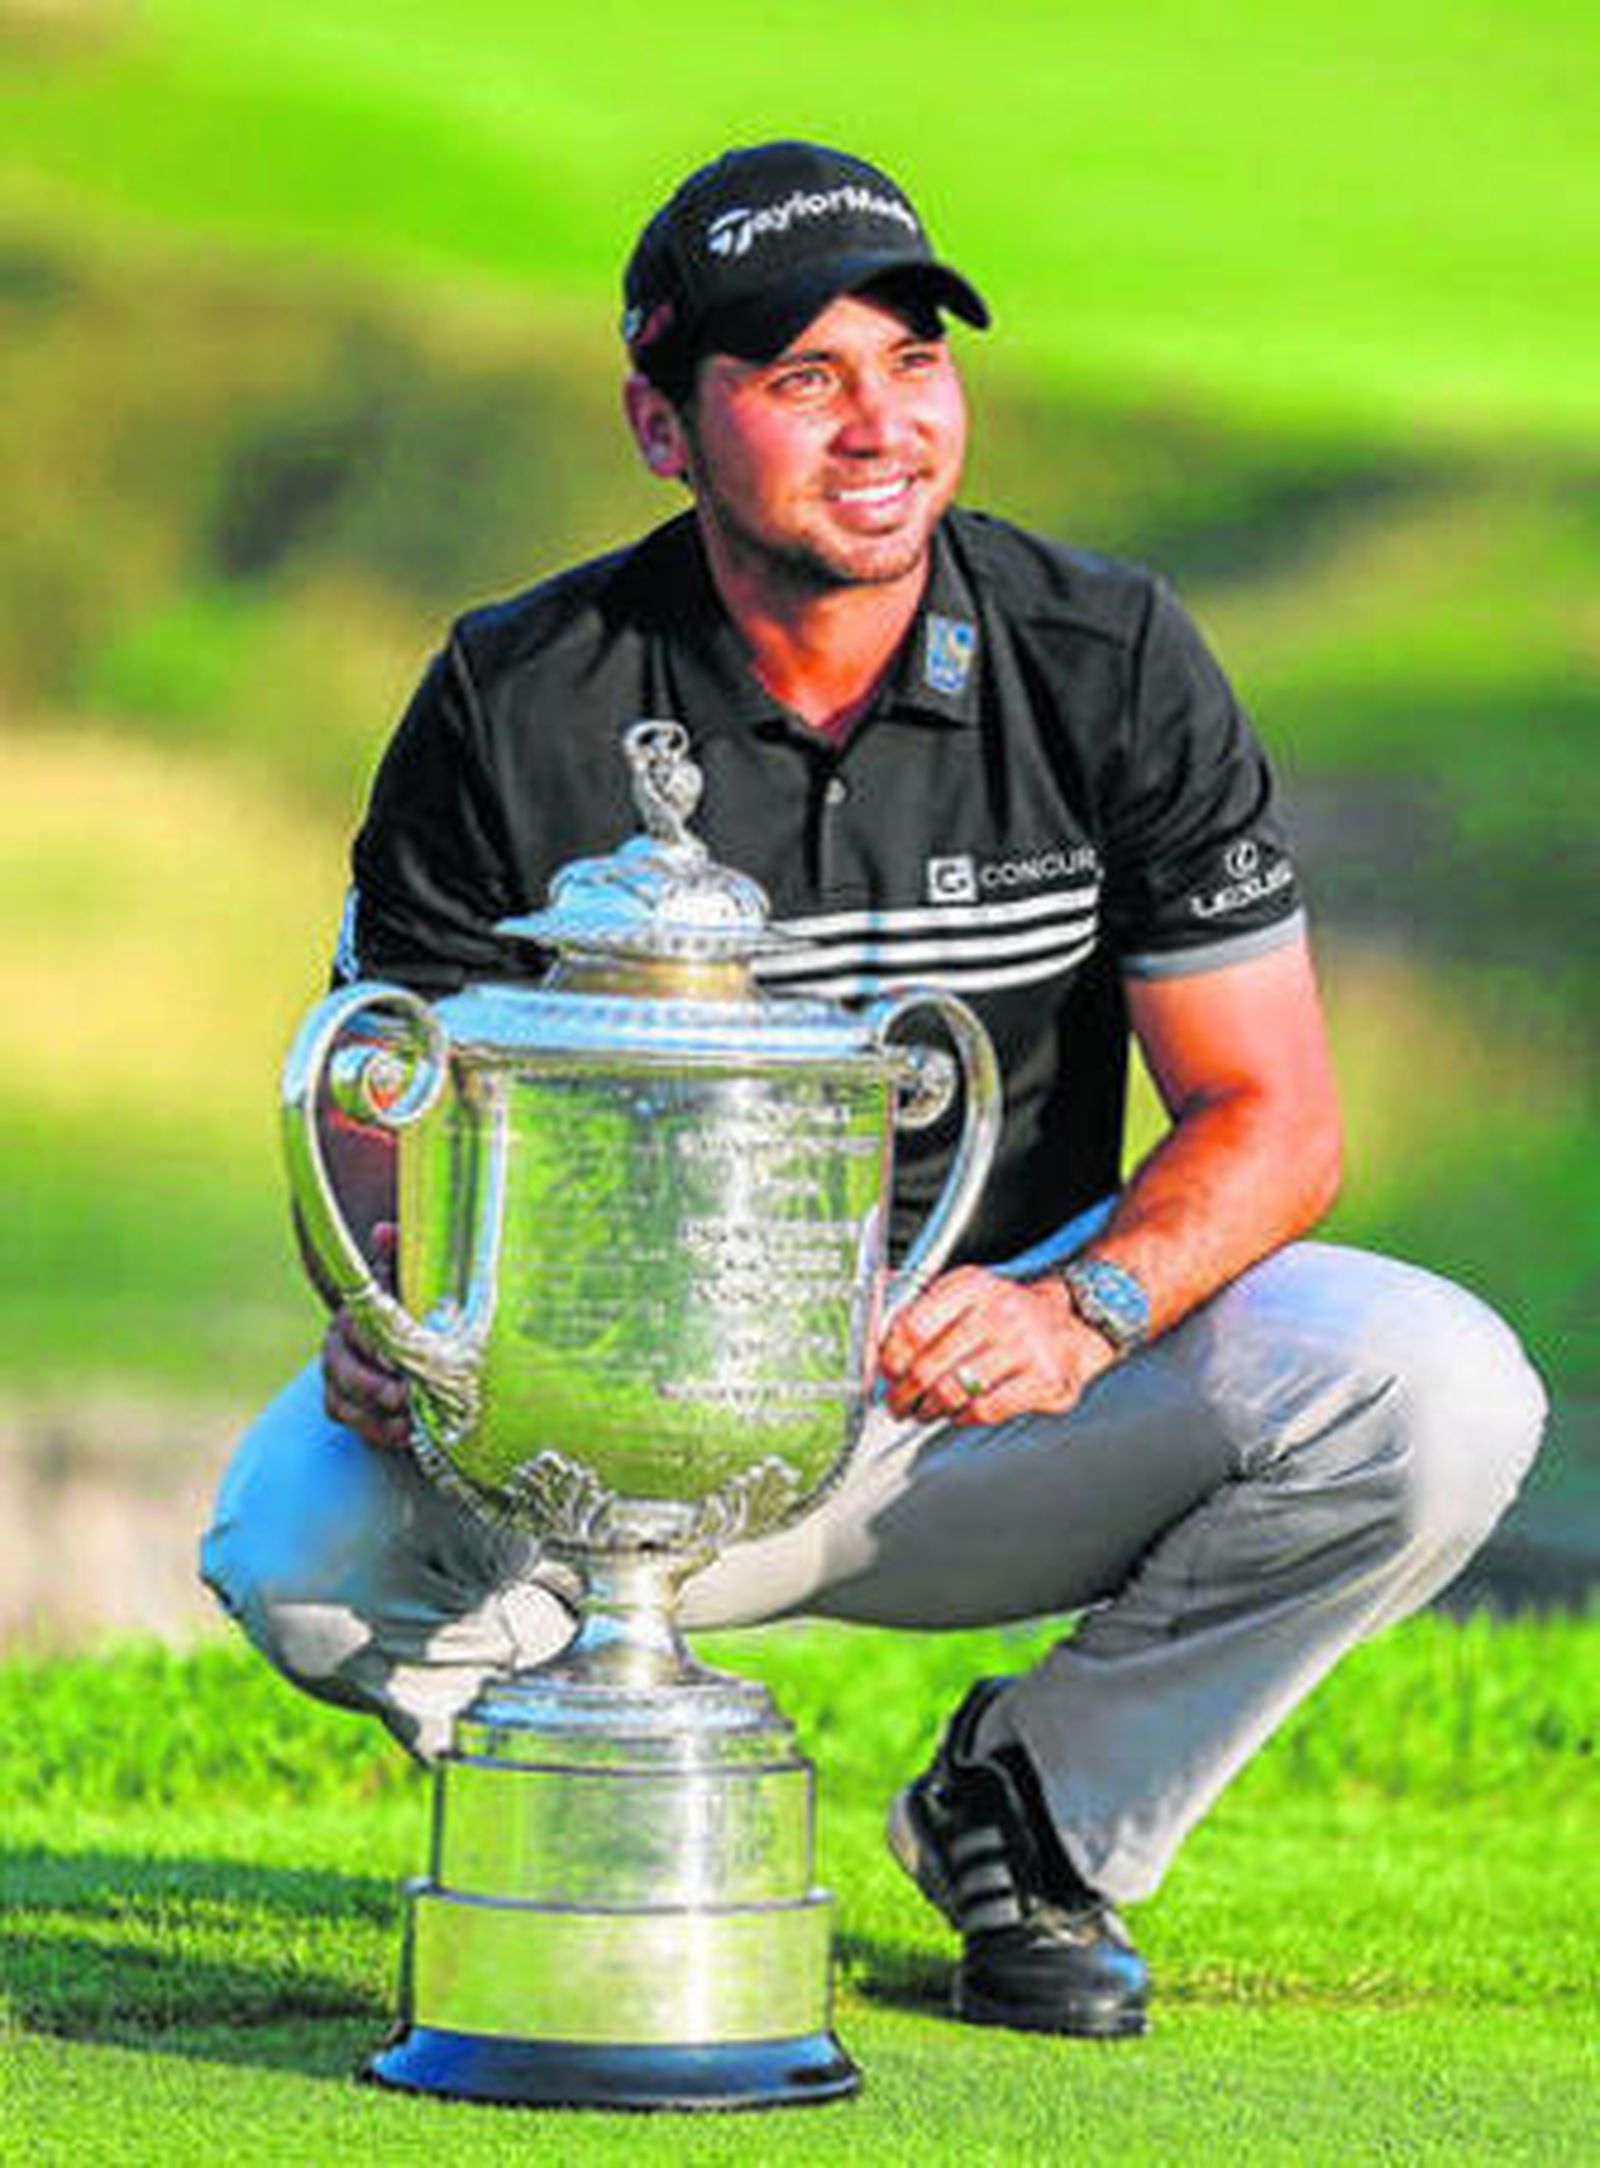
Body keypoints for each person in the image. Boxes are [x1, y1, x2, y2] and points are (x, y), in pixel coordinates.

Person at [202, 140, 1546, 2041]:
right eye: (800, 376)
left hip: (997, 1388)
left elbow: (1277, 1115)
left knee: (1435, 1385)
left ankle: (1037, 1815)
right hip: (609, 1412)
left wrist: (1085, 1310)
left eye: (911, 360)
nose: (881, 424)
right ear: (662, 427)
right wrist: (395, 1308)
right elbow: (378, 1083)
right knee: (300, 1552)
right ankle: (621, 1806)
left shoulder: (1108, 656)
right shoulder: (521, 693)